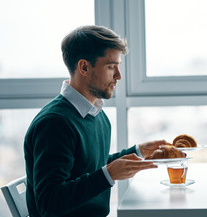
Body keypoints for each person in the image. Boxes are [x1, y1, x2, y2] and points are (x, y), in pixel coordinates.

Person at [24, 25, 168, 217]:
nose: (118, 75)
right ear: (84, 67)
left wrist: (137, 152)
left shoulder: (96, 114)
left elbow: (88, 167)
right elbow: (49, 203)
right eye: (111, 67)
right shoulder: (54, 123)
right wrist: (108, 175)